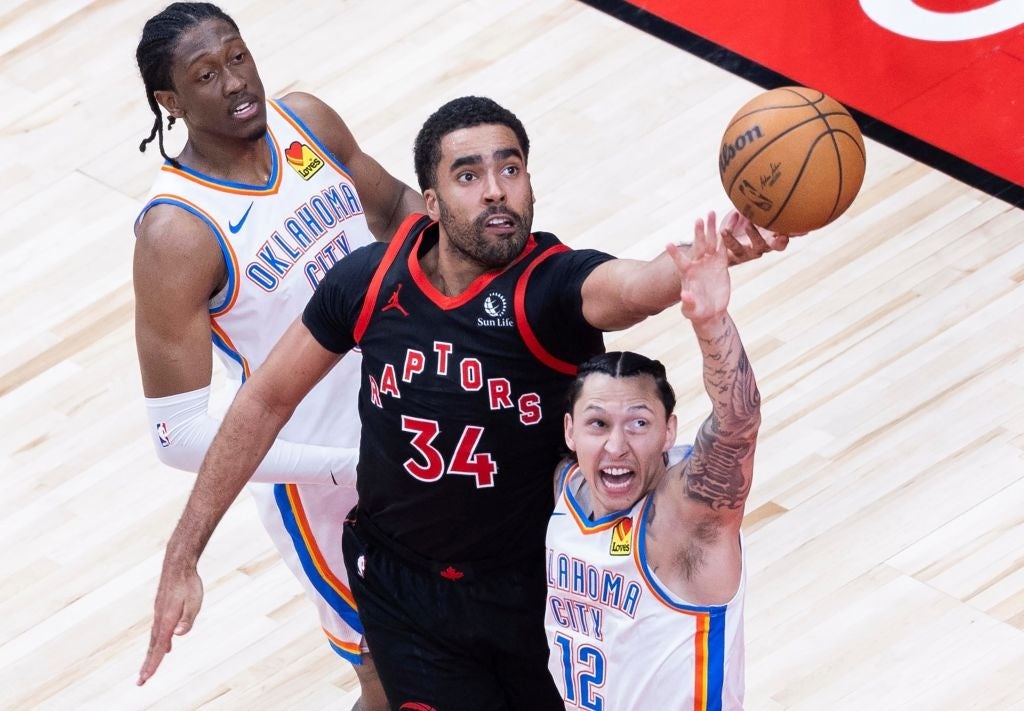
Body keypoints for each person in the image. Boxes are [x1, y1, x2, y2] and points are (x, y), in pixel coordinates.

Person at [139, 94, 788, 709]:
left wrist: (712, 255)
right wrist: (184, 551)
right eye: (469, 175)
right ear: (432, 201)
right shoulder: (369, 283)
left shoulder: (550, 284)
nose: (496, 189)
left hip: (535, 582)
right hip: (407, 589)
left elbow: (636, 285)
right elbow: (262, 402)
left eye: (511, 169)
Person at [132, 4, 422, 709]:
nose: (236, 81)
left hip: (422, 411)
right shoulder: (176, 232)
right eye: (206, 75)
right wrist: (342, 465)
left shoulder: (306, 123)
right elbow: (177, 436)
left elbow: (398, 210)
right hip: (325, 477)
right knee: (395, 679)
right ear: (171, 102)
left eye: (237, 57)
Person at [546, 214, 757, 710]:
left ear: (669, 432)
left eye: (638, 423)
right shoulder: (566, 489)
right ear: (570, 431)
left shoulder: (686, 520)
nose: (617, 445)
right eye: (598, 424)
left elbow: (736, 424)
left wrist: (710, 323)